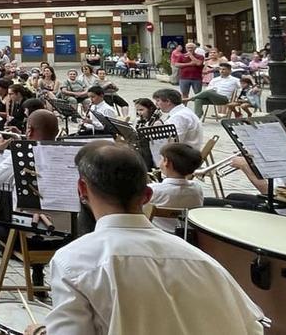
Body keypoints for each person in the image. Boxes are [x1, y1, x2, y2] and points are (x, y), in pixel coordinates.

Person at [25, 143, 264, 335]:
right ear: (147, 195)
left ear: (82, 189)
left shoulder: (74, 260)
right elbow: (253, 327)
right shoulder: (205, 262)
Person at [0, 109, 66, 291]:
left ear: (30, 131)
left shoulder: (19, 157)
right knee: (37, 209)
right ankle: (38, 274)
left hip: (23, 236)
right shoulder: (68, 156)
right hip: (62, 239)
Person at [147, 142, 203, 233]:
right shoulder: (197, 188)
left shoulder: (152, 190)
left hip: (158, 234)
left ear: (166, 162)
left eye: (161, 159)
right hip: (186, 235)